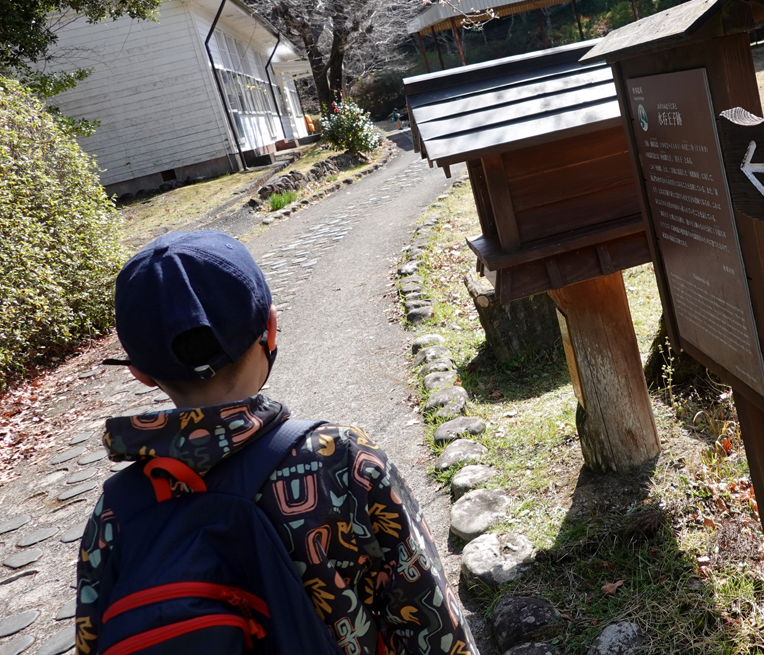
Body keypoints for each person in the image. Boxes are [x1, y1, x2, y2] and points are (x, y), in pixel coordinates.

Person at [76, 230, 478, 655]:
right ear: (270, 327)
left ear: (138, 372)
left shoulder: (114, 514)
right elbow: (429, 619)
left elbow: (92, 638)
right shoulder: (341, 460)